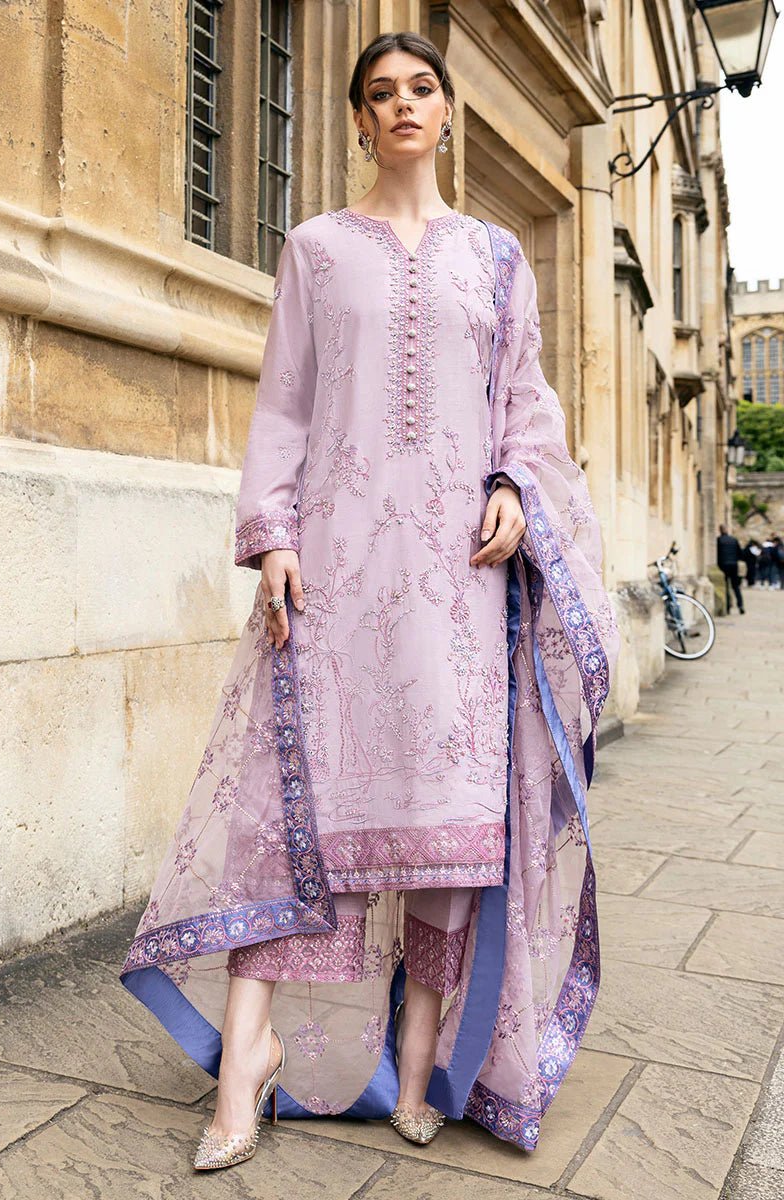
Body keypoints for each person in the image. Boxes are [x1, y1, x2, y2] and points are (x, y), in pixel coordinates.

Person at [119, 31, 619, 1168]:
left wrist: (508, 483)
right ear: (356, 121)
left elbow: (523, 413)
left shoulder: (496, 258)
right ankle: (245, 1064)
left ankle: (418, 1044)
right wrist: (272, 539)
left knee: (448, 823)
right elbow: (282, 409)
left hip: (456, 582)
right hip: (336, 573)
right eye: (379, 92)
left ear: (446, 115)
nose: (401, 105)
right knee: (288, 820)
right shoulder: (313, 248)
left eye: (420, 88)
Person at [716, 525, 745, 614]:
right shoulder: (734, 540)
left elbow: (717, 554)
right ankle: (740, 605)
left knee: (726, 587)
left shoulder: (719, 540)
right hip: (733, 565)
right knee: (735, 586)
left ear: (720, 531)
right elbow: (740, 553)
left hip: (723, 565)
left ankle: (727, 607)